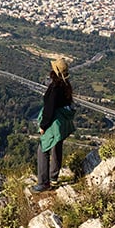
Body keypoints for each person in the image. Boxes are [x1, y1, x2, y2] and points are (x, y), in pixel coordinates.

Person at [32, 58, 76, 193]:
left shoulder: (55, 88)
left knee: (43, 149)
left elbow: (49, 109)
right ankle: (53, 178)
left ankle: (43, 183)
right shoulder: (65, 85)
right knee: (57, 148)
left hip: (54, 124)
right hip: (62, 123)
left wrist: (43, 126)